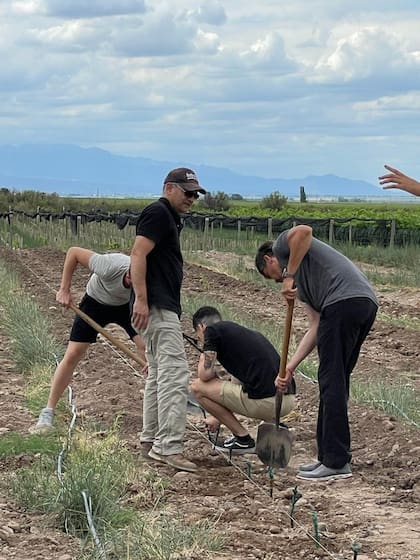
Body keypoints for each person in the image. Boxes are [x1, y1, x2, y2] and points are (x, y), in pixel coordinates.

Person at [255, 225, 378, 481]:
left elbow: (304, 231)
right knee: (335, 381)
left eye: (274, 277)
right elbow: (315, 326)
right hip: (361, 303)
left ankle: (335, 462)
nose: (279, 282)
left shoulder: (281, 247)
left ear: (270, 260)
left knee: (331, 381)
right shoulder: (306, 287)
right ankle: (328, 457)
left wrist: (288, 275)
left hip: (344, 301)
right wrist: (290, 367)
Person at [130, 167, 206, 473]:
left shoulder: (168, 218)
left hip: (159, 307)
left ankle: (150, 443)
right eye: (187, 192)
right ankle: (168, 447)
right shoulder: (159, 213)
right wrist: (143, 300)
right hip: (158, 307)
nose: (191, 199)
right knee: (174, 375)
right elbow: (137, 254)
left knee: (158, 376)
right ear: (168, 188)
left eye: (194, 194)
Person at [30, 247, 146, 433]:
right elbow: (73, 252)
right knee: (74, 353)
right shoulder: (110, 266)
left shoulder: (145, 283)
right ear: (128, 274)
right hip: (95, 302)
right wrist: (64, 290)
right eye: (132, 280)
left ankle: (155, 405)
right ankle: (47, 413)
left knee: (146, 349)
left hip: (127, 307)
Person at [190, 306, 296, 454]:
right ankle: (274, 422)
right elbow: (236, 382)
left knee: (197, 387)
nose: (201, 340)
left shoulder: (211, 331)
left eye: (199, 336)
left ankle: (243, 440)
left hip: (266, 402)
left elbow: (205, 375)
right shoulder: (238, 333)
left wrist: (204, 354)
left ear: (201, 326)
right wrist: (217, 418)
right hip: (286, 400)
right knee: (235, 387)